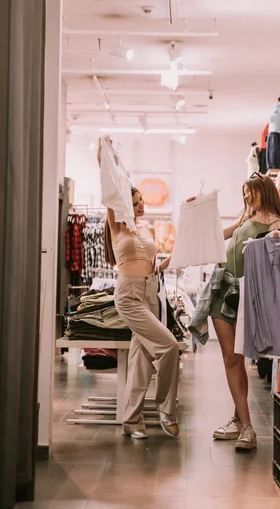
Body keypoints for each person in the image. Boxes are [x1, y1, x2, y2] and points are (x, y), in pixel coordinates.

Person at [97, 138, 179, 440]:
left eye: (141, 200)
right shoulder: (118, 227)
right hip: (130, 295)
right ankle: (166, 408)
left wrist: (166, 261)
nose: (141, 205)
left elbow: (153, 261)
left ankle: (131, 421)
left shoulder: (146, 229)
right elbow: (110, 191)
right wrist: (104, 154)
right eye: (134, 203)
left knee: (141, 359)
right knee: (169, 346)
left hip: (151, 290)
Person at [210, 174, 280, 450]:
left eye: (250, 193)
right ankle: (244, 425)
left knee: (238, 359)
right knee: (232, 359)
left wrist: (277, 236)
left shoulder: (276, 222)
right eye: (244, 193)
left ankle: (241, 423)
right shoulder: (246, 217)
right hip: (222, 293)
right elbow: (222, 235)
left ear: (263, 192)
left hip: (246, 298)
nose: (246, 198)